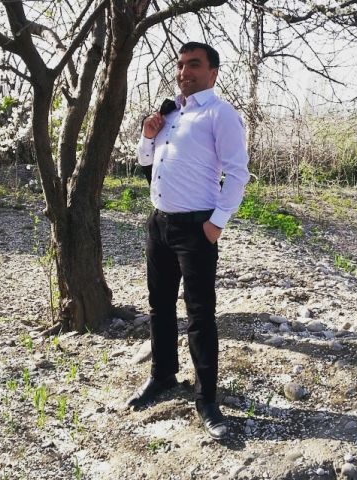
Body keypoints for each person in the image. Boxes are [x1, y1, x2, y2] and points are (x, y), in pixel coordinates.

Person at [127, 41, 250, 440]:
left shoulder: (220, 114)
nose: (184, 72)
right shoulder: (169, 114)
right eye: (180, 65)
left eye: (194, 65)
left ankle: (207, 399)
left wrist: (216, 224)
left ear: (213, 72)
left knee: (200, 315)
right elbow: (146, 162)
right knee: (160, 306)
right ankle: (163, 374)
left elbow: (238, 173)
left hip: (196, 230)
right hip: (159, 225)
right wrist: (148, 136)